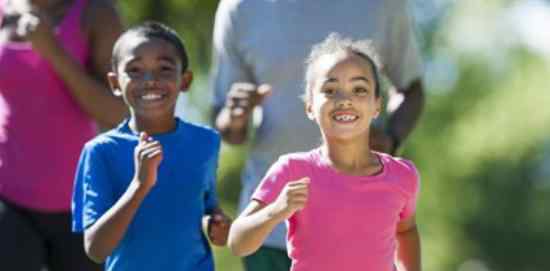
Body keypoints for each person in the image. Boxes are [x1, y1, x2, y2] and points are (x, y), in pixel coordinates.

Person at [211, 1, 425, 269]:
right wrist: (277, 209)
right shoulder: (240, 7)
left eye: (359, 89)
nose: (345, 100)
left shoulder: (401, 176)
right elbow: (222, 115)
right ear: (309, 106)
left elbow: (406, 230)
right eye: (330, 89)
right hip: (271, 238)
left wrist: (392, 137)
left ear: (376, 104)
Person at [71, 22, 231, 271]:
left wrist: (216, 223)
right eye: (135, 70)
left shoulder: (206, 142)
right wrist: (139, 185)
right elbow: (96, 249)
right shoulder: (100, 152)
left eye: (165, 69)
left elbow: (206, 205)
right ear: (115, 83)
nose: (150, 80)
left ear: (185, 80)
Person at [0, 0, 126, 270]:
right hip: (7, 195)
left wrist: (53, 51)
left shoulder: (96, 14)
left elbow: (118, 114)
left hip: (81, 204)